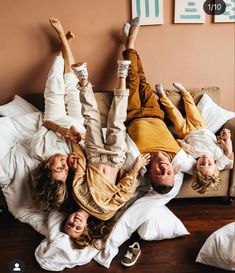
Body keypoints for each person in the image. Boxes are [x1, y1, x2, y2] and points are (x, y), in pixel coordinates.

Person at [62, 57, 151, 247]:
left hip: (93, 156)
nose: (75, 222)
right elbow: (122, 194)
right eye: (77, 228)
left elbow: (80, 166)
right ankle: (121, 73)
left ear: (67, 218)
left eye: (69, 224)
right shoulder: (104, 212)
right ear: (86, 228)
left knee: (90, 118)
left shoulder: (76, 194)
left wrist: (75, 142)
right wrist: (135, 168)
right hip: (115, 158)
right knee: (117, 120)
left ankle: (83, 79)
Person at [121, 17, 185, 194]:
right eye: (169, 172)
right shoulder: (178, 155)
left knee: (132, 80)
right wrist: (182, 143)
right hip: (155, 113)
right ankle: (127, 43)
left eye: (160, 173)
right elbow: (206, 160)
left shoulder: (139, 158)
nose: (165, 168)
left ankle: (131, 40)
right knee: (142, 79)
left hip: (132, 114)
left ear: (149, 173)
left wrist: (137, 168)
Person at [31, 18, 85, 211]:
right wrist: (77, 140)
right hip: (77, 123)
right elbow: (86, 141)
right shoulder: (69, 160)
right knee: (72, 82)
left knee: (54, 83)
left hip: (55, 119)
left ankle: (63, 41)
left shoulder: (38, 150)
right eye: (65, 171)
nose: (64, 166)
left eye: (59, 168)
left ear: (47, 167)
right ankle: (64, 40)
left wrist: (61, 129)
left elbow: (45, 124)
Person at [155, 82, 233, 194]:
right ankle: (184, 92)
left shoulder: (192, 157)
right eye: (209, 164)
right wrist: (226, 135)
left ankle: (162, 95)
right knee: (191, 107)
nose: (205, 161)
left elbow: (175, 145)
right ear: (215, 166)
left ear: (196, 166)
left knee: (173, 113)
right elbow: (227, 155)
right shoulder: (218, 155)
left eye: (202, 164)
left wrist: (182, 145)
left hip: (185, 132)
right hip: (200, 126)